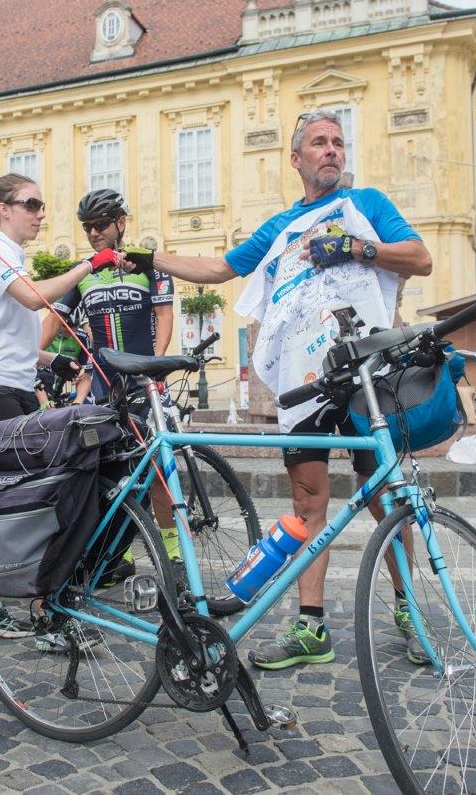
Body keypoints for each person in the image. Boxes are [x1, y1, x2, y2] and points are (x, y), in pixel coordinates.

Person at [148, 109, 432, 669]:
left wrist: (356, 248)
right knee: (308, 501)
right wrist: (148, 257)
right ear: (297, 159)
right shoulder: (280, 227)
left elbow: (420, 258)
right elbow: (219, 268)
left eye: (338, 143)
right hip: (306, 383)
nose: (331, 151)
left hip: (363, 375)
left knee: (384, 496)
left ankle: (409, 609)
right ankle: (312, 627)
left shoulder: (367, 205)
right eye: (319, 144)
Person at [0, 170, 128, 646]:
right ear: (5, 210)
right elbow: (34, 300)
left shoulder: (9, 254)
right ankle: (23, 612)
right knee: (18, 500)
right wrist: (89, 265)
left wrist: (58, 362)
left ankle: (12, 608)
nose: (41, 213)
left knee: (20, 497)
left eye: (40, 204)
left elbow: (12, 337)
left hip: (11, 384)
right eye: (31, 204)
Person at [43, 188, 180, 568]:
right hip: (103, 388)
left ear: (121, 223)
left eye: (101, 225)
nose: (93, 233)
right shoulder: (83, 273)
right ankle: (117, 554)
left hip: (144, 384)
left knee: (158, 471)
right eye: (87, 227)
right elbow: (54, 321)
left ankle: (172, 552)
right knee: (109, 474)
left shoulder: (147, 266)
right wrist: (28, 356)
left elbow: (164, 318)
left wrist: (156, 365)